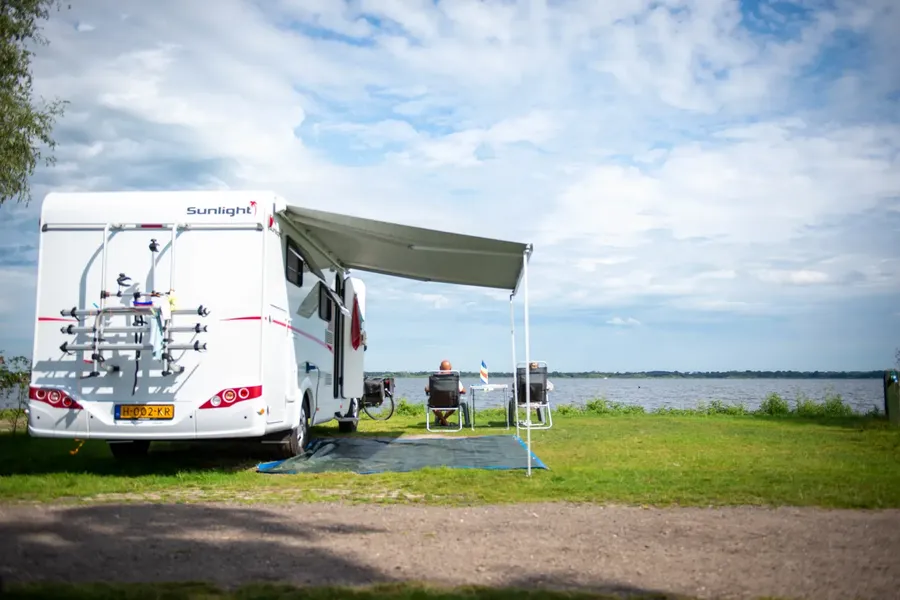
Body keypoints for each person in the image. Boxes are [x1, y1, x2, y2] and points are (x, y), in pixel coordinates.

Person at [425, 359, 468, 427]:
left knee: (432, 405)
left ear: (440, 368)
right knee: (456, 403)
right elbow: (463, 391)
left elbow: (427, 389)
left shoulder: (434, 380)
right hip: (452, 403)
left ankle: (443, 420)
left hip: (436, 404)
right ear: (450, 369)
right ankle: (444, 420)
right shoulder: (454, 380)